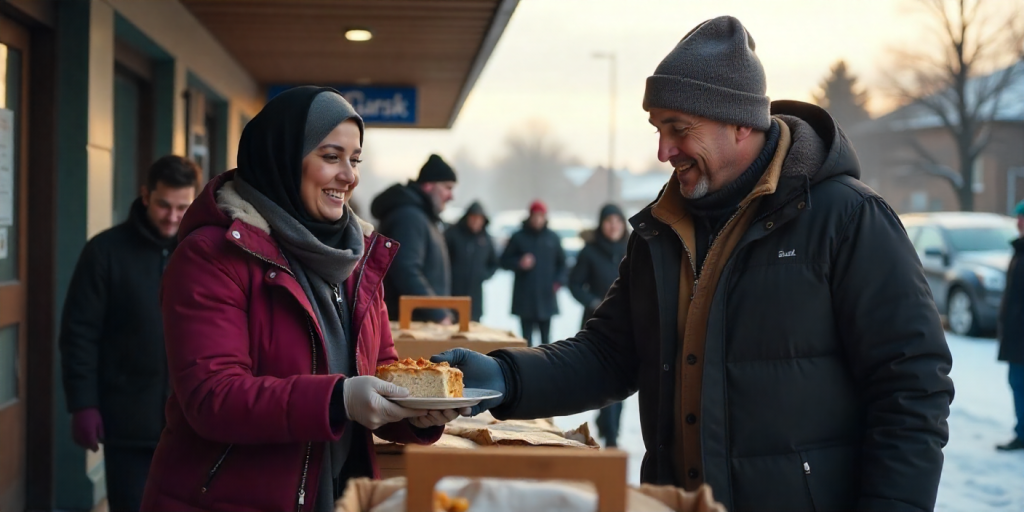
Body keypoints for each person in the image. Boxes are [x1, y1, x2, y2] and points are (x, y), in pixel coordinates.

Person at [435, 17, 954, 512]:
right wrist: (502, 376)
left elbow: (911, 387)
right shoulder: (661, 230)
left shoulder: (848, 218)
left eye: (679, 129)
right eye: (658, 129)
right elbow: (610, 354)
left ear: (739, 123)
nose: (664, 150)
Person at [142, 87, 463, 512]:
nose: (349, 176)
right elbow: (212, 398)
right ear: (281, 158)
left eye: (355, 159)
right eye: (331, 157)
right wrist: (339, 399)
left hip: (338, 494)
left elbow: (383, 368)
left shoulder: (357, 258)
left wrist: (415, 413)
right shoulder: (212, 255)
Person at [58, 155, 199, 512]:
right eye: (164, 205)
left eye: (183, 207)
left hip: (193, 423)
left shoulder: (202, 254)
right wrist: (83, 403)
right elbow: (79, 333)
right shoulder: (104, 252)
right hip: (126, 422)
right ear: (145, 195)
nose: (172, 216)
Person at [569, 203, 628, 447]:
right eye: (608, 221)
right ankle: (610, 432)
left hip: (628, 323)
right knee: (605, 376)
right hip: (598, 323)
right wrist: (592, 301)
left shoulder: (634, 249)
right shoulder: (589, 251)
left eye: (617, 221)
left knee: (624, 379)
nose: (613, 226)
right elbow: (574, 283)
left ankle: (611, 428)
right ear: (601, 224)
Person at [371, 154, 457, 323]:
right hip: (410, 326)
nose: (451, 196)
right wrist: (438, 314)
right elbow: (406, 270)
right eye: (447, 187)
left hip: (419, 324)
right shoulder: (409, 217)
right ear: (428, 186)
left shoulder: (422, 217)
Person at [500, 200, 567, 347]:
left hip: (546, 296)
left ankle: (546, 367)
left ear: (545, 217)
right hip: (525, 297)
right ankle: (527, 367)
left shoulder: (553, 238)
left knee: (546, 340)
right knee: (526, 340)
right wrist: (519, 262)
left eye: (540, 216)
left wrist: (558, 282)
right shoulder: (519, 237)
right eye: (534, 216)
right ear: (529, 216)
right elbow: (504, 261)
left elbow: (562, 264)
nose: (537, 219)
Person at [997, 199, 1024, 451]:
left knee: (1020, 383)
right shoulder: (1019, 249)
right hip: (1016, 335)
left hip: (1021, 337)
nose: (1018, 222)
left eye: (1022, 217)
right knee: (1017, 383)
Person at [445, 201, 499, 322]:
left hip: (475, 295)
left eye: (479, 219)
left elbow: (494, 262)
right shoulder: (453, 234)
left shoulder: (485, 238)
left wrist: (483, 275)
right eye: (473, 218)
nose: (475, 222)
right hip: (453, 293)